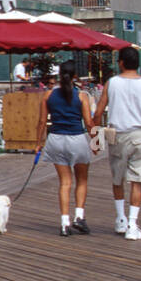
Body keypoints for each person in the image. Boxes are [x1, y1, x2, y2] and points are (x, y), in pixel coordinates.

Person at [91, 46, 141, 240]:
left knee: (117, 179)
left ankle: (120, 219)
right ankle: (133, 225)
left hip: (117, 135)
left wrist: (96, 139)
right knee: (137, 180)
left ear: (121, 63)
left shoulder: (112, 83)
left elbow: (98, 112)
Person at [35, 62, 97, 236]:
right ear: (75, 76)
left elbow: (41, 122)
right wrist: (96, 143)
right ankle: (79, 217)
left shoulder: (48, 95)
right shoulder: (82, 96)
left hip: (55, 139)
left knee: (65, 183)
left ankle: (64, 223)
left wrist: (38, 143)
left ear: (59, 76)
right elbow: (89, 122)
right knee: (82, 180)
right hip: (76, 138)